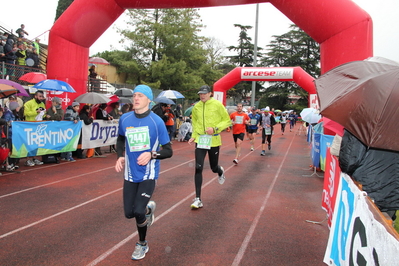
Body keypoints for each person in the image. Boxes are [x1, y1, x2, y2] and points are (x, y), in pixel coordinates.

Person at [114, 85, 172, 260]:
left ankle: (142, 243)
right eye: (134, 96)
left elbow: (168, 150)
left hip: (148, 174)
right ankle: (148, 209)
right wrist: (119, 156)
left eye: (140, 96)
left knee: (137, 212)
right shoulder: (125, 119)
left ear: (148, 100)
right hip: (130, 174)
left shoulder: (157, 122)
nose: (136, 98)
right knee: (129, 213)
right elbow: (120, 138)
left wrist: (151, 154)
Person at [188, 85, 231, 209]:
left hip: (214, 140)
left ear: (210, 93)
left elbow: (227, 121)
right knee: (198, 167)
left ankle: (220, 171)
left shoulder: (217, 105)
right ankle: (198, 199)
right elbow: (195, 123)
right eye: (200, 94)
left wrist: (215, 129)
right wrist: (194, 135)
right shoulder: (196, 107)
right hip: (201, 140)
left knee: (213, 167)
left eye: (204, 93)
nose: (202, 96)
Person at [23, 90, 46, 166]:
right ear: (35, 96)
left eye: (42, 96)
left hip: (38, 126)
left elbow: (44, 114)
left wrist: (45, 114)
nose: (41, 98)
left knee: (37, 143)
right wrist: (36, 111)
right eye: (40, 96)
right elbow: (26, 113)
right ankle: (28, 159)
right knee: (30, 143)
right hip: (29, 126)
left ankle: (34, 158)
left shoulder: (42, 104)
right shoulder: (28, 103)